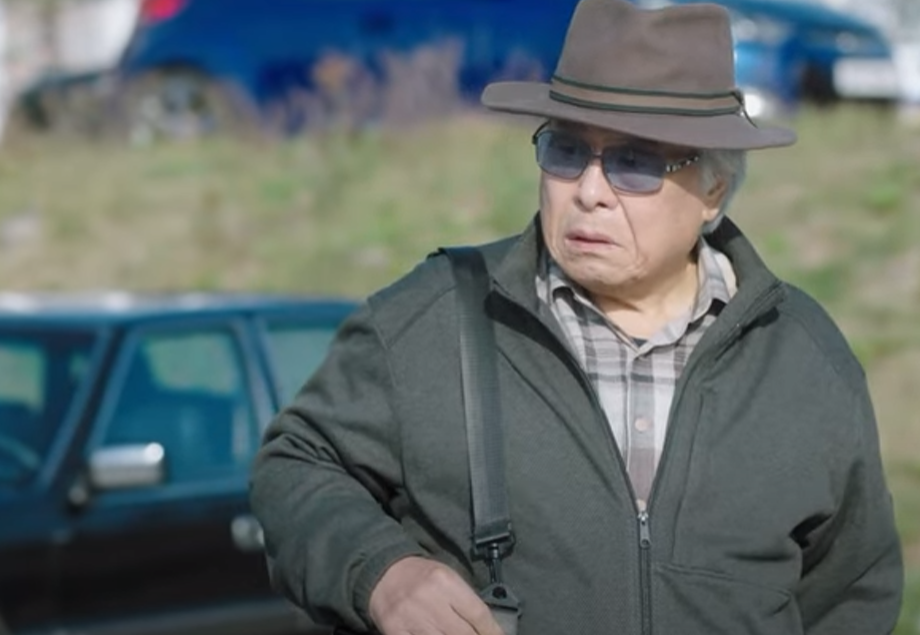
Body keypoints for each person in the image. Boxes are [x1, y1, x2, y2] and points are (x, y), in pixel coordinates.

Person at [249, 0, 904, 633]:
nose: (589, 192)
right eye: (565, 151)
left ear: (714, 189)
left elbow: (851, 592)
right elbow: (295, 464)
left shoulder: (801, 356)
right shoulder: (434, 317)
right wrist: (382, 574)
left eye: (635, 163)